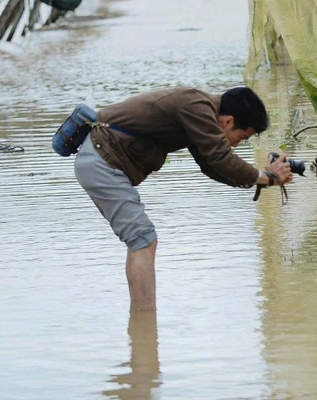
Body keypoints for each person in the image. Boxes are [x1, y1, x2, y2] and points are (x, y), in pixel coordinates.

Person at [73, 85, 294, 311]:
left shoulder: (200, 113)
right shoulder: (196, 107)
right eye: (242, 137)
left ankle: (142, 323)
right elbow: (221, 158)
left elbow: (211, 166)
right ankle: (145, 315)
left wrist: (264, 180)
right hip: (102, 162)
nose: (237, 144)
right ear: (228, 121)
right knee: (143, 240)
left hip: (100, 160)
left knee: (140, 239)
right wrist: (266, 177)